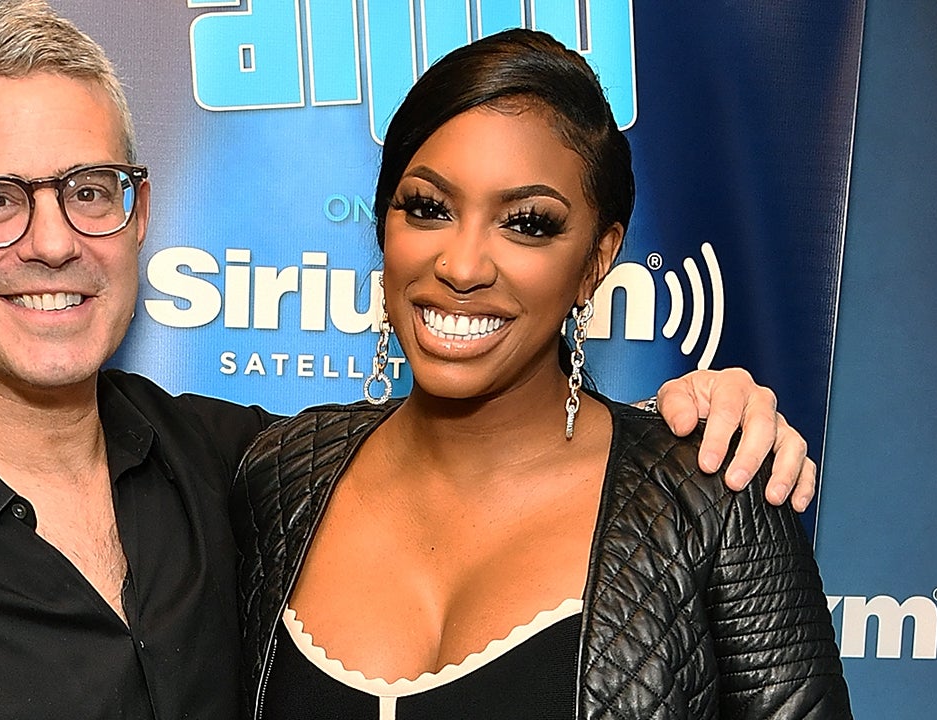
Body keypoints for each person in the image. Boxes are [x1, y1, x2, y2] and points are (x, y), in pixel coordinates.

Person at [0, 2, 821, 719]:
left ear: (139, 208)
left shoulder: (236, 470)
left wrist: (703, 419)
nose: (53, 240)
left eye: (87, 190)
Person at [232, 28, 851, 720]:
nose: (463, 267)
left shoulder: (715, 502)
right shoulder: (280, 477)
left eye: (526, 223)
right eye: (428, 208)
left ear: (597, 258)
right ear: (384, 227)